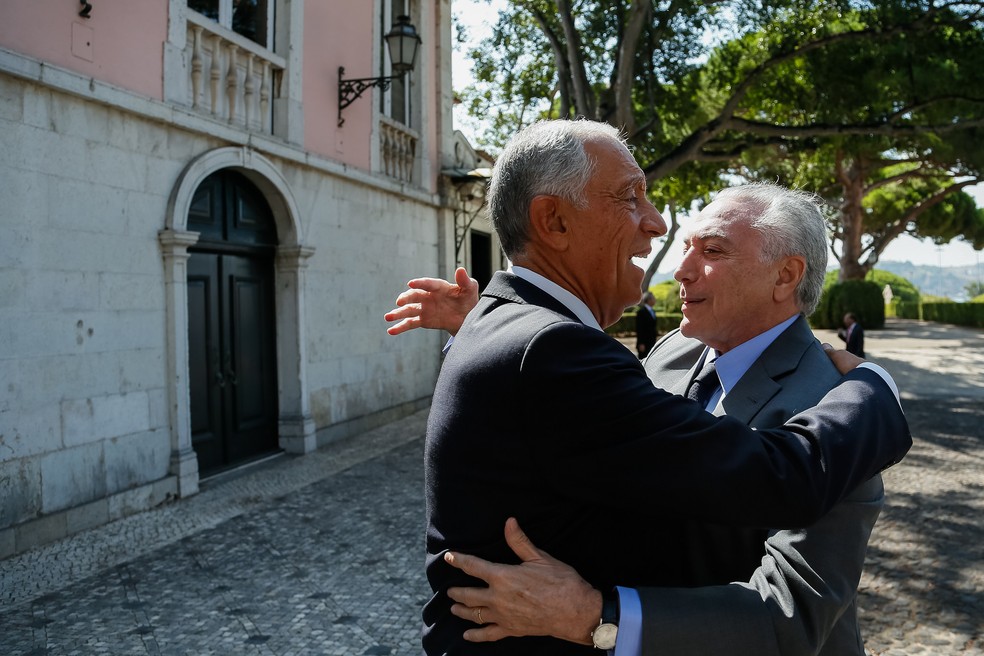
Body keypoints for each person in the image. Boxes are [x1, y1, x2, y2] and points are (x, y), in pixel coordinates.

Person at [396, 119, 908, 655]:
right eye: (628, 197)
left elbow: (791, 619)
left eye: (712, 251)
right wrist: (877, 386)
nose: (674, 256)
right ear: (553, 220)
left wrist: (597, 616)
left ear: (785, 276)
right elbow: (766, 479)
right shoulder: (584, 352)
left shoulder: (828, 402)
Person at [635, 291, 657, 358]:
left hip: (652, 341)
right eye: (653, 298)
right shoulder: (641, 312)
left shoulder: (652, 311)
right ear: (649, 300)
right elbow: (639, 328)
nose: (655, 300)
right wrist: (641, 343)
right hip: (644, 343)